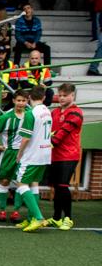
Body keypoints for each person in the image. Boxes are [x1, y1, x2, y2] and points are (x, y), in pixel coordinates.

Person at [0, 89, 33, 223]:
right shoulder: (6, 117)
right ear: (13, 101)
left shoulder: (30, 116)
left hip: (25, 153)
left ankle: (16, 212)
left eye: (24, 100)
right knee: (5, 181)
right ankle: (2, 210)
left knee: (21, 182)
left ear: (27, 101)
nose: (21, 103)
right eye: (18, 100)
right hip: (9, 153)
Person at [13, 85, 53, 233]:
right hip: (45, 154)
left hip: (32, 155)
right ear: (43, 98)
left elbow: (25, 138)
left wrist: (19, 154)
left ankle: (38, 217)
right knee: (34, 184)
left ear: (29, 98)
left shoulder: (31, 114)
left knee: (21, 184)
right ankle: (31, 219)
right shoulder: (47, 111)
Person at [47, 83, 82, 230]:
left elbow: (61, 134)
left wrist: (47, 143)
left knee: (62, 186)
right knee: (57, 187)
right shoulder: (54, 112)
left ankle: (68, 218)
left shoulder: (76, 113)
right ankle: (56, 218)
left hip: (69, 155)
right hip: (54, 155)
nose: (61, 98)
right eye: (60, 95)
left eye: (65, 95)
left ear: (72, 96)